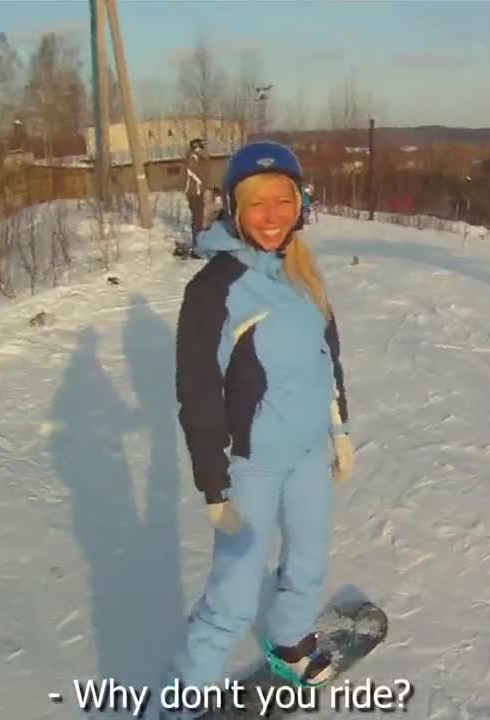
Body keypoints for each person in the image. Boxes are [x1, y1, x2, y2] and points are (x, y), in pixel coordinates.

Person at [165, 140, 355, 715]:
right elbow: (198, 392)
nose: (272, 216)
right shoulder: (214, 288)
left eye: (283, 200)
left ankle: (291, 641)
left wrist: (340, 430)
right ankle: (183, 699)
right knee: (234, 594)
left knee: (308, 560)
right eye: (257, 203)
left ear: (301, 205)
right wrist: (213, 484)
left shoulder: (302, 274)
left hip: (306, 454)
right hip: (252, 464)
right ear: (234, 208)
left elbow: (327, 357)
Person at [177, 138, 208, 258]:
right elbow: (189, 172)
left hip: (196, 191)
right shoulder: (193, 157)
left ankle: (198, 244)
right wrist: (199, 183)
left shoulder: (197, 157)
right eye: (202, 145)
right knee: (197, 219)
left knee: (198, 219)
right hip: (195, 192)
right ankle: (197, 245)